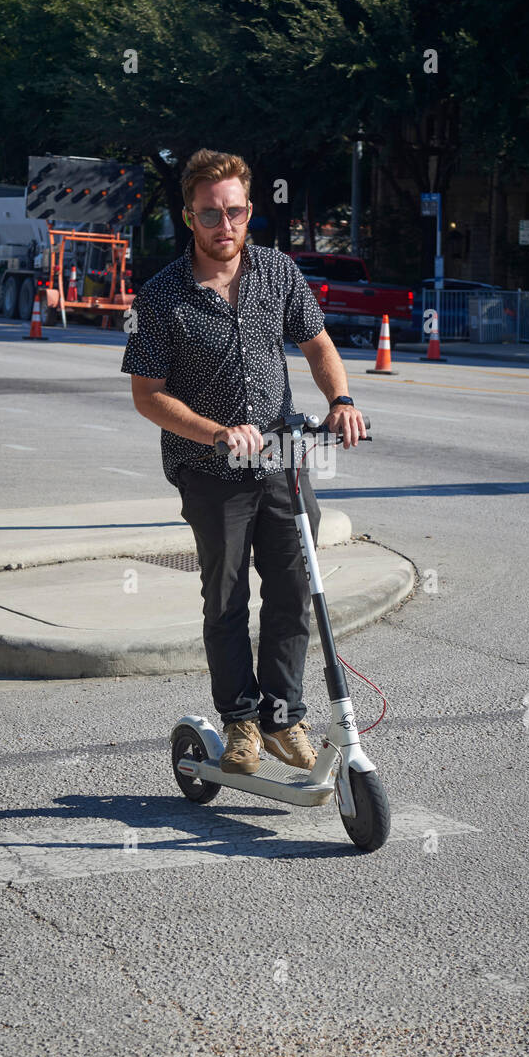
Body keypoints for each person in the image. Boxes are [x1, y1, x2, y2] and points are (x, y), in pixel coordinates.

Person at [122, 148, 367, 774]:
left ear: (249, 211)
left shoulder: (277, 273)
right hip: (210, 472)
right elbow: (148, 396)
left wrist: (339, 398)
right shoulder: (162, 296)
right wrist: (216, 434)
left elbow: (318, 345)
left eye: (233, 211)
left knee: (293, 589)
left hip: (282, 464)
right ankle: (240, 724)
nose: (223, 224)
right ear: (188, 217)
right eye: (209, 214)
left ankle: (283, 717)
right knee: (227, 597)